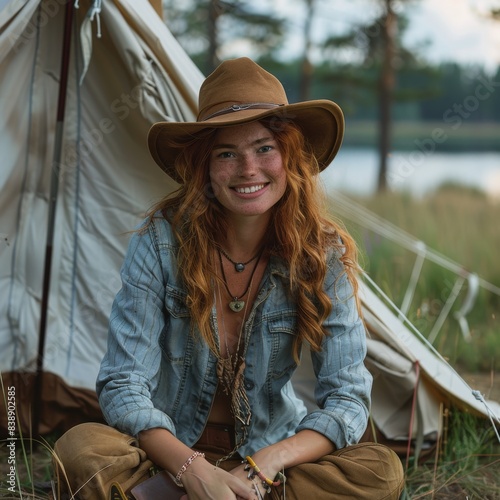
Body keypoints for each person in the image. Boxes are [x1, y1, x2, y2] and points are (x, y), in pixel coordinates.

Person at [54, 57, 404, 500]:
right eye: (226, 153)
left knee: (379, 471)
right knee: (80, 449)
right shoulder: (160, 243)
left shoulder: (322, 254)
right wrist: (191, 468)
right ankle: (192, 491)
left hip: (269, 455)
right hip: (170, 451)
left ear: (289, 156)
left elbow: (348, 400)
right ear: (204, 167)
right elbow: (124, 385)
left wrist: (267, 463)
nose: (248, 169)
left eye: (264, 148)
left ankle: (225, 493)